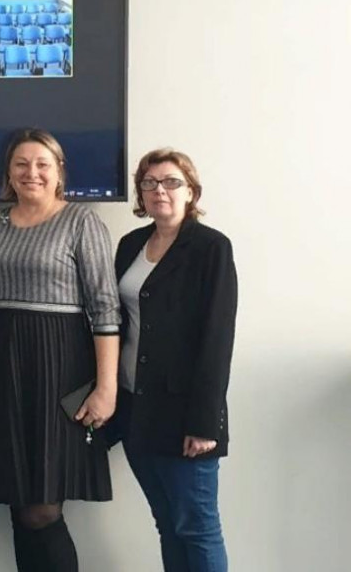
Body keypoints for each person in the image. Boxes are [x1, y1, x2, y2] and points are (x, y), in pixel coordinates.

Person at [0, 128, 120, 572]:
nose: (32, 172)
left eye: (42, 164)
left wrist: (106, 388)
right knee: (18, 505)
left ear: (59, 172)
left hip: (60, 373)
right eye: (21, 164)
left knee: (42, 511)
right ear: (9, 173)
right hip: (2, 370)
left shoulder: (82, 222)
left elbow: (105, 309)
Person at [111, 148, 237, 572]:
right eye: (149, 183)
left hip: (184, 416)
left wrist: (204, 423)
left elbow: (217, 338)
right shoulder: (131, 245)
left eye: (170, 182)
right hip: (135, 409)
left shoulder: (210, 248)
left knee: (197, 527)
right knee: (167, 524)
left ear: (191, 191)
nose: (159, 190)